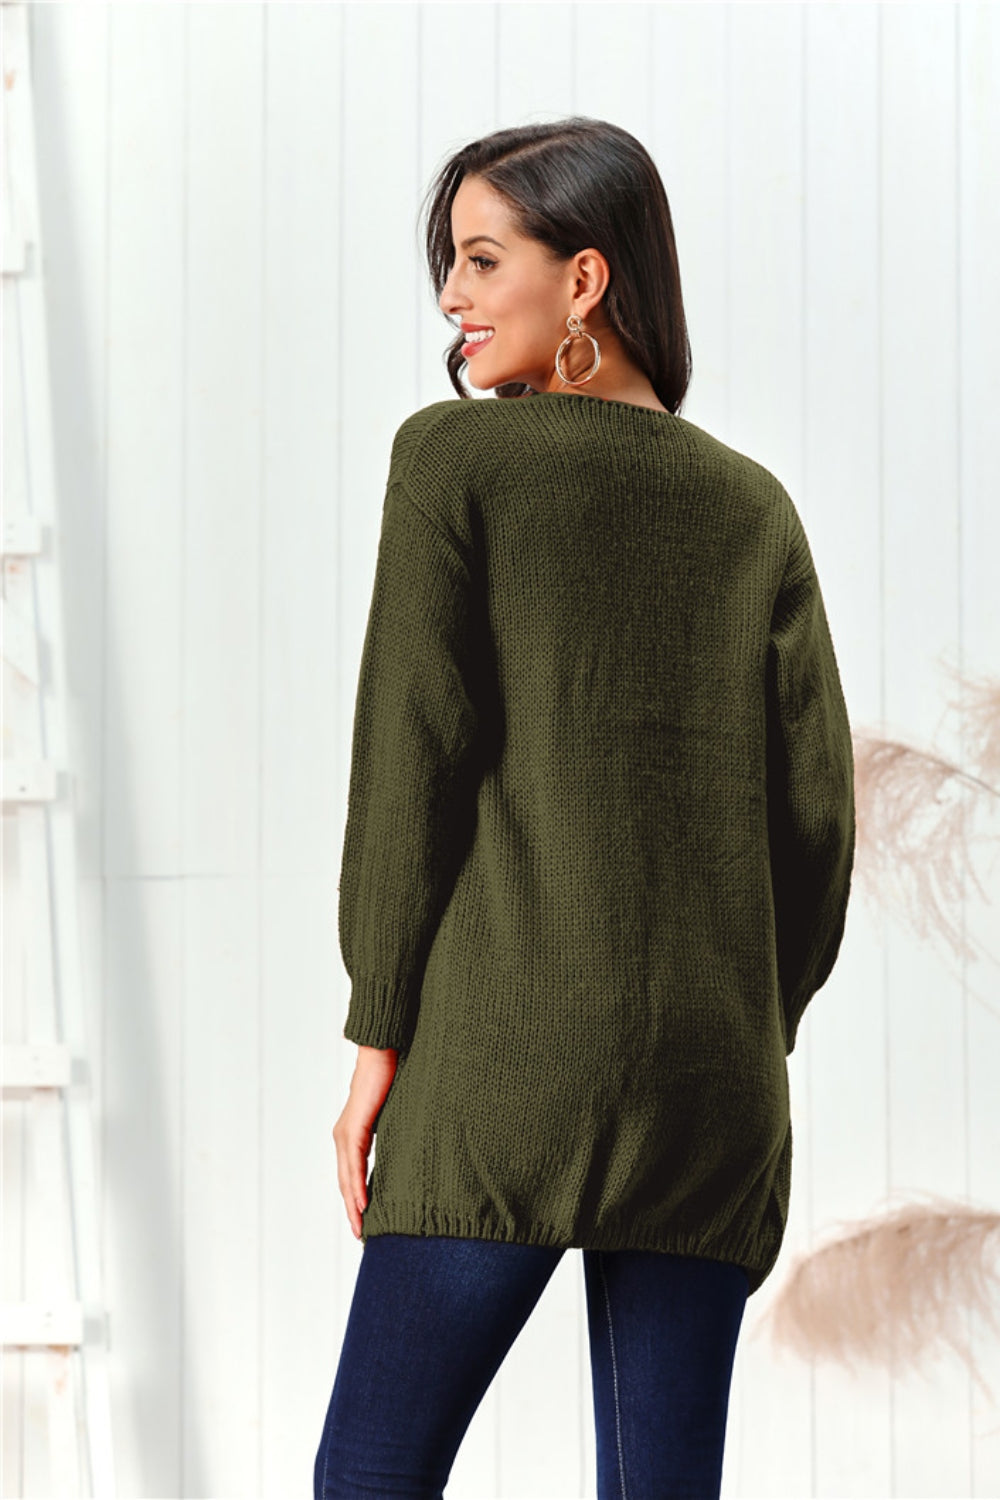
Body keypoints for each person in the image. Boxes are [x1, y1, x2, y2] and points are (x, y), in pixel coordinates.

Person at [314, 116, 856, 1500]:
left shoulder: (455, 460)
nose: (453, 294)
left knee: (370, 1477)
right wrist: (748, 1023)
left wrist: (379, 1035)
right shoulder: (754, 509)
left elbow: (412, 762)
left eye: (482, 258)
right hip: (712, 1084)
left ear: (586, 280)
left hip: (502, 1065)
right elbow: (815, 826)